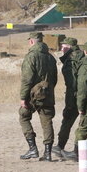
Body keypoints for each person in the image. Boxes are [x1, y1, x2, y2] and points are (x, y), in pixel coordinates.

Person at [55, 38, 87, 159]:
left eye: (63, 46)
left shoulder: (70, 60)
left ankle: (60, 146)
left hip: (76, 95)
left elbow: (72, 84)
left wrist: (70, 102)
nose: (61, 49)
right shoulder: (84, 55)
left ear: (68, 47)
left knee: (67, 120)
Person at [19, 32, 58, 161]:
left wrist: (23, 97)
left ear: (31, 41)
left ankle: (32, 149)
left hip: (33, 96)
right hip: (48, 94)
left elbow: (27, 79)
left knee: (24, 116)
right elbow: (54, 79)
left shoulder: (31, 56)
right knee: (47, 122)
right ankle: (47, 153)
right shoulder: (51, 58)